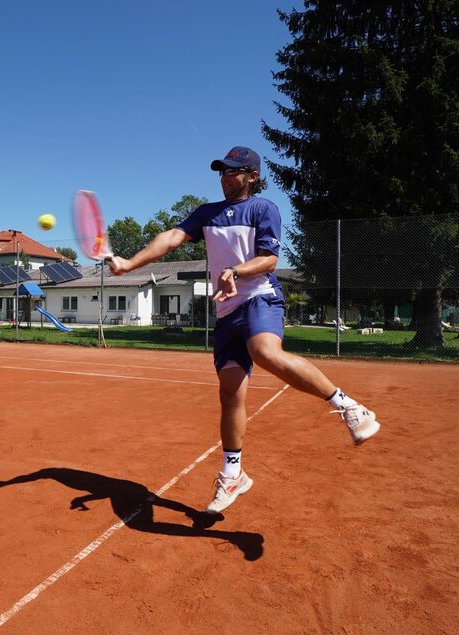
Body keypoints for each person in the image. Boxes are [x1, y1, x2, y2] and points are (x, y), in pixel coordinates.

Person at [107, 146, 381, 514]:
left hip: (259, 299)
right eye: (221, 171)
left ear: (252, 175)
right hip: (227, 313)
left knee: (265, 352)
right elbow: (171, 237)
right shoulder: (206, 214)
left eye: (233, 171)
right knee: (230, 393)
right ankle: (233, 474)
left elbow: (269, 259)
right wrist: (129, 262)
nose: (224, 177)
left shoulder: (263, 209)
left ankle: (349, 407)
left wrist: (237, 271)